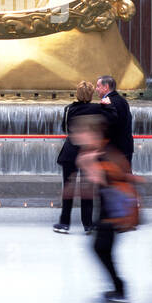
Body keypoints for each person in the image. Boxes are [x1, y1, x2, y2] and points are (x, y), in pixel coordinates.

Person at [73, 113, 140, 303]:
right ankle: (119, 287)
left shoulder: (103, 153)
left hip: (113, 212)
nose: (76, 135)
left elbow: (104, 177)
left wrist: (88, 164)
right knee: (102, 249)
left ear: (93, 133)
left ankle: (119, 288)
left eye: (80, 132)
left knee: (100, 248)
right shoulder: (100, 150)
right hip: (108, 210)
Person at [54, 80, 113, 234]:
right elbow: (109, 121)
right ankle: (88, 224)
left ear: (77, 94)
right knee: (87, 190)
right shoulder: (98, 109)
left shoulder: (69, 109)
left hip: (70, 152)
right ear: (92, 93)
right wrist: (107, 103)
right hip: (88, 153)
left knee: (68, 188)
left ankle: (64, 223)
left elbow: (64, 128)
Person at [96, 74, 134, 167]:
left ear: (106, 87)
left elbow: (108, 126)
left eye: (98, 86)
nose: (96, 89)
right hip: (125, 148)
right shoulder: (122, 101)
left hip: (113, 152)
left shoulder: (107, 102)